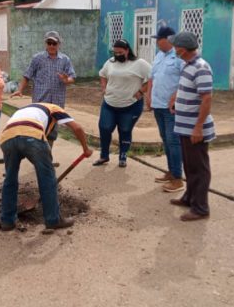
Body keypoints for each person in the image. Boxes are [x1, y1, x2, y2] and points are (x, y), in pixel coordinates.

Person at [0, 103, 92, 231]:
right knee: (47, 177)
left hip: (7, 137)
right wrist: (86, 149)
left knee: (10, 178)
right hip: (32, 135)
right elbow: (77, 128)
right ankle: (53, 219)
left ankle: (7, 221)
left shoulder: (25, 108)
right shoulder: (54, 108)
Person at [167, 31, 215, 220]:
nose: (174, 49)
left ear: (182, 49)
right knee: (189, 165)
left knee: (199, 168)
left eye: (175, 46)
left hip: (195, 128)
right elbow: (185, 88)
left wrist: (198, 127)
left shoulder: (201, 67)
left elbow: (207, 99)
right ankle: (189, 197)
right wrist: (175, 99)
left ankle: (201, 207)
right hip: (184, 126)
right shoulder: (188, 65)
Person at [10, 31, 76, 166]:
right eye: (49, 43)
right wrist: (20, 89)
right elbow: (27, 75)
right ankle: (38, 159)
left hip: (56, 103)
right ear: (46, 43)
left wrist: (66, 80)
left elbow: (72, 78)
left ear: (59, 44)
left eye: (54, 43)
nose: (51, 46)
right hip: (40, 102)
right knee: (38, 131)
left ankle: (46, 160)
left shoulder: (65, 60)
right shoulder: (38, 58)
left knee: (52, 132)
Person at [92, 39, 151, 168]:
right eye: (115, 52)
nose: (117, 55)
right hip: (109, 104)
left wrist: (141, 91)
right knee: (105, 128)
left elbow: (152, 77)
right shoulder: (110, 62)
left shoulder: (139, 64)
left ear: (127, 50)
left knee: (125, 129)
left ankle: (123, 155)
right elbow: (102, 74)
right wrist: (104, 88)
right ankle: (104, 155)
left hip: (131, 105)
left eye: (120, 52)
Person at [146, 26, 183, 184]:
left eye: (158, 40)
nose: (156, 42)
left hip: (171, 108)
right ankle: (171, 171)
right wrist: (148, 96)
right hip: (158, 105)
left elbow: (186, 79)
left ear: (167, 40)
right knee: (165, 140)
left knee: (173, 141)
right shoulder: (159, 56)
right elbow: (152, 77)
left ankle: (177, 177)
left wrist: (176, 96)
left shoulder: (180, 56)